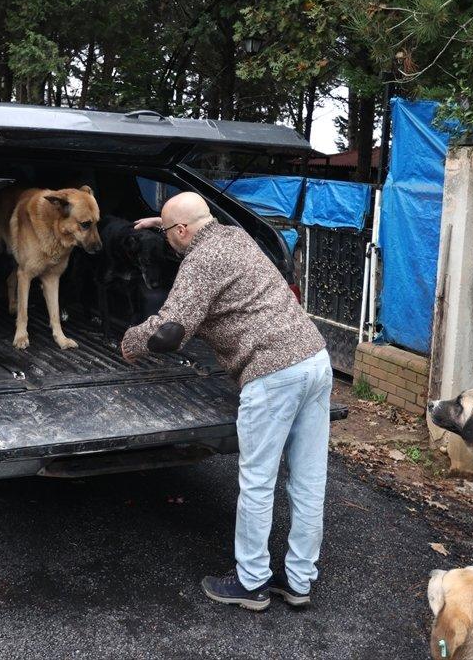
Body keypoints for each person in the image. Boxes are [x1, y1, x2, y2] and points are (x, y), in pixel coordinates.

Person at [120, 192, 332, 612]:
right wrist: (158, 221)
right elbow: (190, 222)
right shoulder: (234, 235)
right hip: (315, 361)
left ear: (182, 231)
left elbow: (170, 332)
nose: (166, 242)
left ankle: (252, 583)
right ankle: (299, 581)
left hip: (272, 375)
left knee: (257, 482)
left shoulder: (200, 263)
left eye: (168, 234)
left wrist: (129, 342)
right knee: (308, 482)